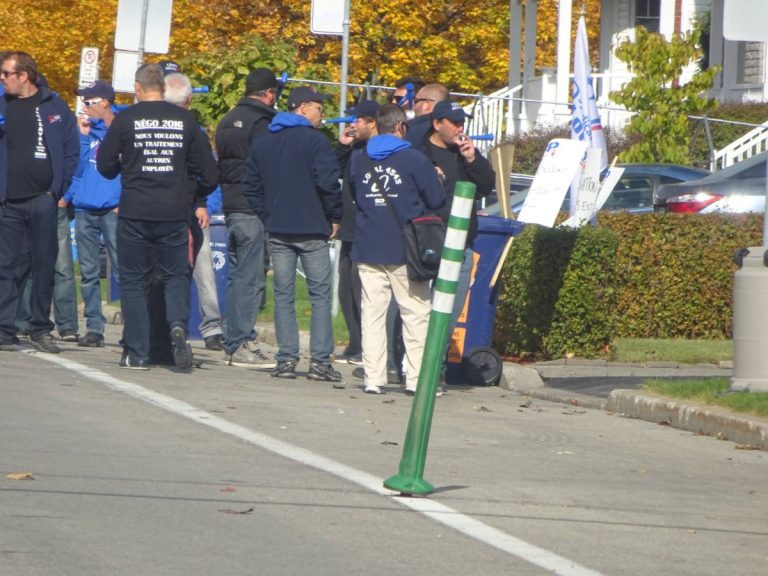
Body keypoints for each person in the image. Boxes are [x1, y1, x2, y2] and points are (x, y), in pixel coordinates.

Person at [97, 63, 218, 370]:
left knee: (134, 281)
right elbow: (210, 173)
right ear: (163, 88)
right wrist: (190, 188)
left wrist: (130, 162)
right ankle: (177, 324)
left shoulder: (125, 120)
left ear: (138, 88)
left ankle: (137, 351)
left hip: (135, 210)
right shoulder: (186, 120)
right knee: (176, 275)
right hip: (174, 212)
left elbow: (105, 165)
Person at [244, 86, 343, 381]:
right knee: (320, 296)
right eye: (318, 108)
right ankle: (320, 362)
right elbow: (328, 183)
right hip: (313, 228)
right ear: (302, 108)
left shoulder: (265, 141)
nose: (321, 113)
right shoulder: (316, 142)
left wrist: (268, 213)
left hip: (279, 227)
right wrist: (334, 216)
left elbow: (250, 184)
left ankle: (286, 359)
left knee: (284, 295)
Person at [349, 104, 445, 394]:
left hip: (368, 244)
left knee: (372, 313)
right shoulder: (414, 159)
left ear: (379, 125)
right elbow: (436, 199)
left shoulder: (358, 158)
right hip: (406, 246)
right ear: (401, 127)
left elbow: (355, 193)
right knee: (415, 312)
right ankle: (416, 380)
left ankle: (373, 378)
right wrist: (437, 177)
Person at [0, 51, 79, 354]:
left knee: (44, 265)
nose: (3, 78)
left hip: (43, 199)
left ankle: (40, 328)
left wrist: (58, 189)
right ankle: (5, 329)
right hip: (8, 201)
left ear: (24, 75)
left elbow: (71, 149)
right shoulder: (2, 104)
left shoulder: (54, 106)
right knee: (6, 266)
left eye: (7, 73)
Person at [418, 99, 495, 376]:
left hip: (460, 244)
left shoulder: (466, 156)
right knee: (415, 309)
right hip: (424, 244)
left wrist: (472, 157)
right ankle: (404, 363)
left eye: (462, 122)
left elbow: (486, 187)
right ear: (437, 124)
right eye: (454, 122)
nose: (460, 128)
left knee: (449, 311)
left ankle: (434, 370)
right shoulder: (421, 153)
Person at [215, 68, 280, 368]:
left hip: (231, 204)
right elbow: (267, 166)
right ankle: (242, 342)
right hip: (253, 207)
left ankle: (232, 338)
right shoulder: (263, 122)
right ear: (268, 94)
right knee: (251, 278)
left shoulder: (227, 120)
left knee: (237, 275)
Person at [164, 71, 224, 352]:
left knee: (203, 268)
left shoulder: (195, 131)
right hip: (165, 210)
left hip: (190, 208)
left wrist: (203, 203)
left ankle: (211, 327)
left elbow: (208, 173)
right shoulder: (159, 127)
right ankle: (165, 324)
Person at [59, 80, 122, 348]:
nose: (84, 106)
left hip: (113, 208)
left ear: (105, 102)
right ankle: (95, 327)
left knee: (122, 269)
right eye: (83, 102)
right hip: (85, 208)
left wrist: (125, 200)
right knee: (89, 272)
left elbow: (130, 166)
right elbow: (78, 167)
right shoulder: (84, 132)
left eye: (89, 101)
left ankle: (132, 327)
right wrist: (68, 198)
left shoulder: (120, 128)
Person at [334, 99, 380, 365]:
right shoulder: (354, 149)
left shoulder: (379, 150)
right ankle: (355, 342)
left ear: (371, 123)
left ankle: (367, 346)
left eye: (357, 120)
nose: (352, 125)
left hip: (369, 228)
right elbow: (332, 170)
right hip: (349, 228)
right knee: (346, 287)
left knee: (364, 288)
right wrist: (342, 146)